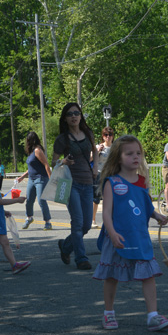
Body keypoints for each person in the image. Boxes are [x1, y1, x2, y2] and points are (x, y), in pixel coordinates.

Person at [93, 135, 168, 331]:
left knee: (149, 276)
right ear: (118, 158)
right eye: (129, 153)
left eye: (138, 153)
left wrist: (157, 215)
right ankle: (108, 313)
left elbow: (146, 207)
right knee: (111, 275)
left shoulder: (142, 182)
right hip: (117, 238)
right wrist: (111, 234)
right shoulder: (112, 182)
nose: (135, 157)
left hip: (139, 237)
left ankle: (153, 316)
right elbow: (107, 213)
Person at [52, 102, 98, 270]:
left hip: (87, 181)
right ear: (65, 118)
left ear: (80, 116)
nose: (73, 116)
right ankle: (81, 258)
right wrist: (63, 161)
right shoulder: (62, 139)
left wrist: (96, 168)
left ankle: (65, 247)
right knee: (77, 222)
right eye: (70, 114)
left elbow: (95, 151)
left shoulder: (88, 133)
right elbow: (53, 162)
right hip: (70, 183)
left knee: (86, 225)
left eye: (76, 113)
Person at [0, 160, 30, 274]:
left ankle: (14, 265)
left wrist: (4, 212)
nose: (0, 173)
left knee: (5, 242)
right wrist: (16, 200)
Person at [17, 132, 53, 231]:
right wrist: (22, 177)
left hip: (40, 178)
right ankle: (29, 218)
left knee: (41, 200)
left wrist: (51, 180)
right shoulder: (31, 152)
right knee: (29, 200)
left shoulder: (38, 150)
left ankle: (48, 222)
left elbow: (46, 164)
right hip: (31, 179)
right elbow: (31, 168)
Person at [92, 126, 114, 228]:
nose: (108, 137)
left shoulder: (115, 148)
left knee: (109, 198)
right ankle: (93, 220)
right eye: (106, 135)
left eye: (110, 135)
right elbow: (90, 159)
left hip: (111, 175)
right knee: (96, 198)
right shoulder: (99, 147)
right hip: (99, 174)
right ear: (103, 136)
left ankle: (108, 221)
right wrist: (97, 151)